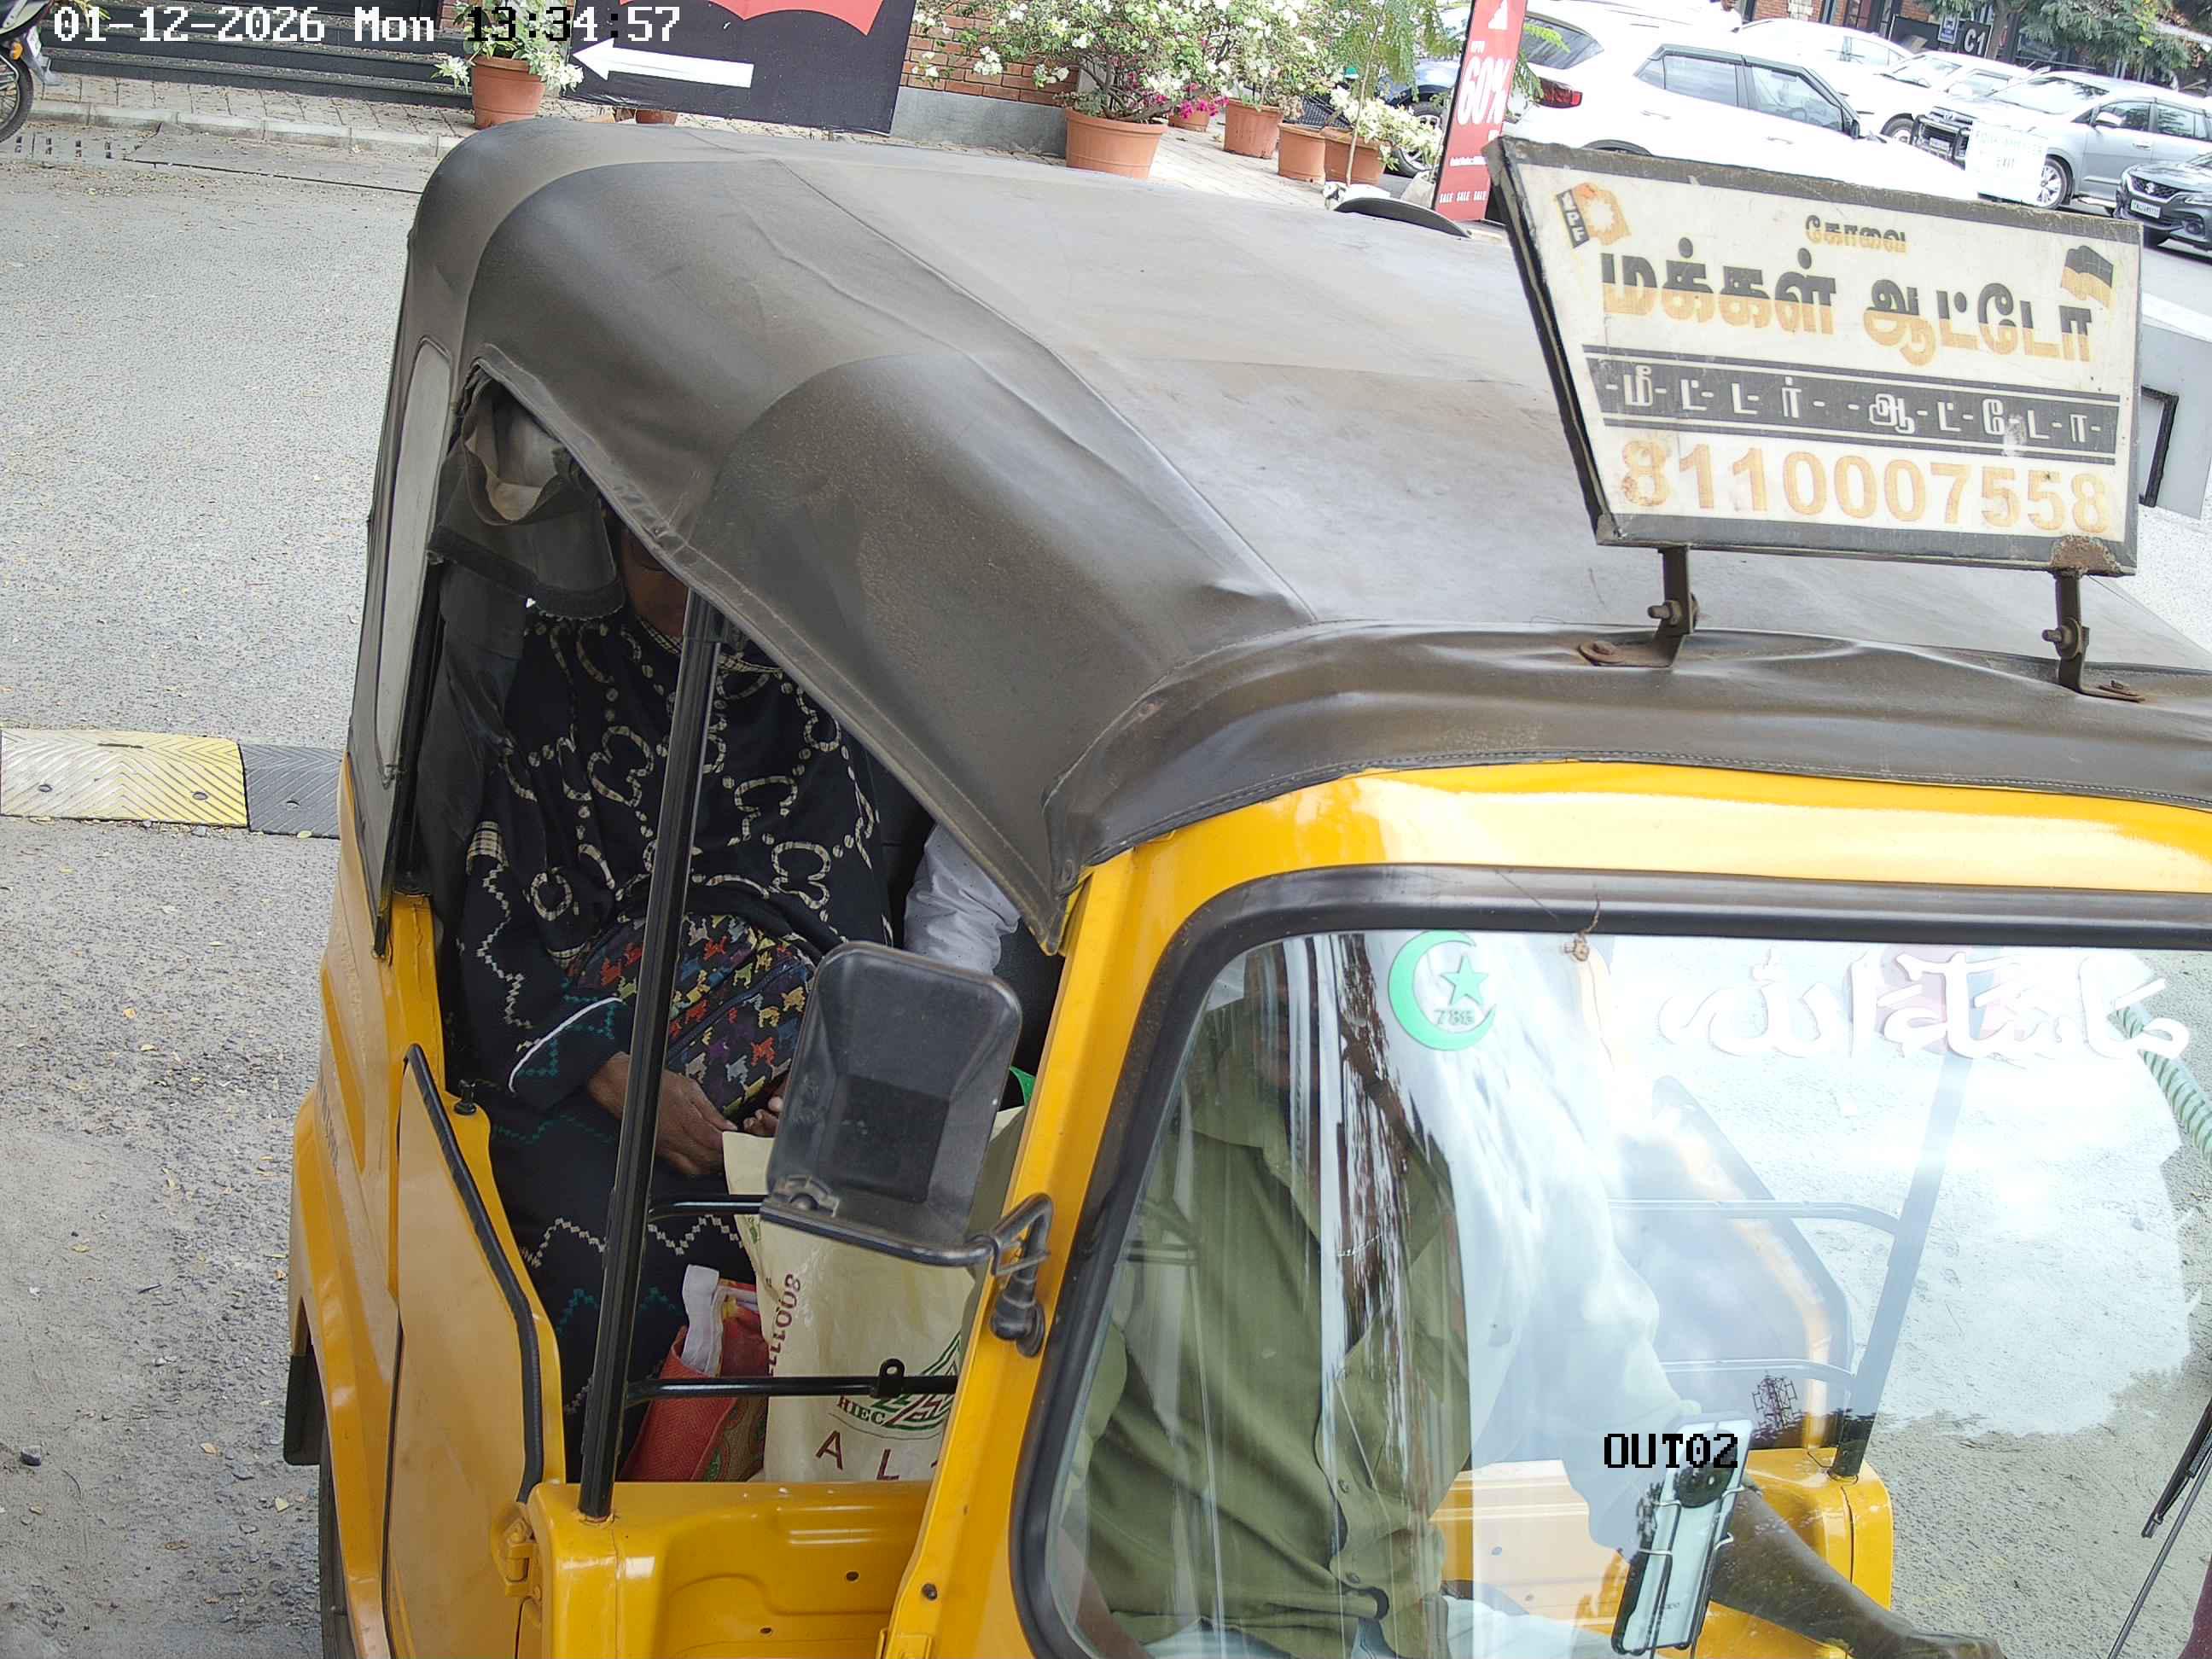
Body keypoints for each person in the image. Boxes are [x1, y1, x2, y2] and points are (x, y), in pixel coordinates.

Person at [1054, 931, 2005, 1659]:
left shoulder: (1519, 1181)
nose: (1294, 997)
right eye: (1297, 960)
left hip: (1413, 1627)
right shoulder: (1129, 1144)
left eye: (1361, 973)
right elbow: (1028, 1509)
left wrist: (1876, 1633)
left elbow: (1651, 1451)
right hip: (1175, 1632)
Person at [457, 514, 894, 1463]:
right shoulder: (559, 674)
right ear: (611, 543)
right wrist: (623, 1077)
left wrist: (814, 1086)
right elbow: (498, 919)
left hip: (785, 1072)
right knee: (595, 1263)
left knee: (883, 1271)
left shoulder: (811, 691)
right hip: (596, 1054)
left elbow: (850, 921)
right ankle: (586, 1515)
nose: (687, 587)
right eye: (656, 556)